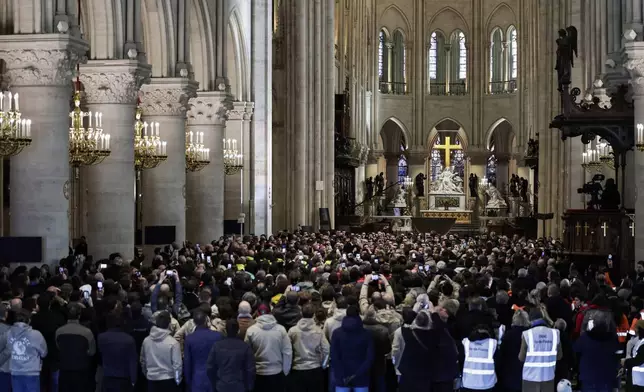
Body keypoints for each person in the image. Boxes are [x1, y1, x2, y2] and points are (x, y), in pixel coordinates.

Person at [244, 305, 292, 392]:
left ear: (257, 314)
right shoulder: (281, 330)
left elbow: (247, 354)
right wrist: (285, 371)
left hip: (258, 373)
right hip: (277, 372)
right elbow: (287, 352)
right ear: (270, 313)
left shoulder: (251, 330)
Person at [330, 305, 374, 392]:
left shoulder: (336, 333)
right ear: (359, 315)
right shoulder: (367, 334)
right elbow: (370, 357)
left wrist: (341, 374)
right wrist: (357, 374)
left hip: (342, 377)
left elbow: (334, 356)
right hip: (362, 377)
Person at [288, 304, 330, 392]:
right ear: (314, 314)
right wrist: (323, 365)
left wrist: (288, 367)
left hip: (297, 369)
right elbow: (327, 350)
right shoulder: (319, 331)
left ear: (301, 313)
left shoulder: (292, 331)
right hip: (315, 369)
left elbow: (288, 350)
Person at [55, 302, 96, 392]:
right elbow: (92, 351)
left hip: (64, 369)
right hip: (81, 369)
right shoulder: (87, 332)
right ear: (79, 315)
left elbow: (58, 347)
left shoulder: (59, 331)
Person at [3, 309, 47, 392]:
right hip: (32, 373)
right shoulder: (36, 334)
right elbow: (44, 353)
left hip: (15, 372)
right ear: (29, 320)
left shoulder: (8, 333)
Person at [519, 309, 563, 392]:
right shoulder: (555, 334)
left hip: (530, 378)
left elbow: (521, 357)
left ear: (531, 320)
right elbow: (559, 356)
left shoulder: (527, 334)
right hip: (548, 377)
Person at [207, 320, 256, 392]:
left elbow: (210, 367)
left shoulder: (217, 346)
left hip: (221, 385)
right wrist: (249, 386)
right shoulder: (245, 347)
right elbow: (250, 369)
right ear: (238, 330)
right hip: (240, 386)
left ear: (225, 330)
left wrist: (214, 383)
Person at [140, 311, 183, 392]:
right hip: (169, 381)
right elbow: (177, 365)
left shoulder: (146, 341)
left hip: (151, 380)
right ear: (169, 324)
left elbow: (143, 361)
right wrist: (177, 381)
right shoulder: (173, 343)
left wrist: (147, 374)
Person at [98, 311, 139, 392]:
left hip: (108, 376)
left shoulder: (101, 337)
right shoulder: (129, 339)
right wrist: (133, 380)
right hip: (124, 378)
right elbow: (132, 361)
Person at [184, 309, 223, 392]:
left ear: (194, 322)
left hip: (197, 379)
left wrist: (188, 381)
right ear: (206, 320)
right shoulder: (218, 336)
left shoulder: (189, 339)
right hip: (215, 378)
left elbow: (187, 363)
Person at [496, 310, 530, 392]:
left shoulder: (508, 335)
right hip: (526, 374)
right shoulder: (529, 335)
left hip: (509, 374)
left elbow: (502, 355)